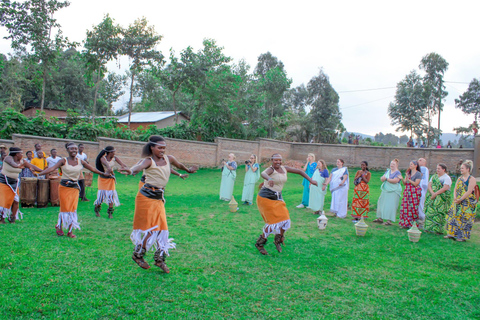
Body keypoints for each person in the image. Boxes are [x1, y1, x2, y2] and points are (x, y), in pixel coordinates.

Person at [125, 135, 197, 272]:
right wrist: (131, 170)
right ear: (152, 147)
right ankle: (138, 255)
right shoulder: (148, 161)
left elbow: (178, 165)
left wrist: (187, 170)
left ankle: (159, 259)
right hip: (146, 198)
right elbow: (138, 167)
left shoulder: (168, 158)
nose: (162, 150)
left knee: (163, 230)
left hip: (159, 198)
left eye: (164, 147)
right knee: (152, 229)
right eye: (159, 148)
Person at [38, 142, 106, 238]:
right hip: (64, 187)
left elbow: (93, 169)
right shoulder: (63, 161)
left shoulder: (80, 161)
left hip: (75, 188)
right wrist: (40, 173)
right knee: (65, 209)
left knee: (73, 209)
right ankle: (59, 226)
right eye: (71, 149)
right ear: (67, 150)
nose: (74, 150)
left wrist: (104, 173)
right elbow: (52, 168)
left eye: (75, 149)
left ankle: (70, 231)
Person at [254, 154, 317, 255]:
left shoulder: (284, 168)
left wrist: (311, 181)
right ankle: (259, 244)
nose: (278, 162)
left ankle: (278, 240)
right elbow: (263, 173)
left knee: (286, 219)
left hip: (277, 197)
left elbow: (300, 171)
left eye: (280, 160)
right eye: (276, 160)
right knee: (272, 222)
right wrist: (269, 179)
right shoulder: (271, 170)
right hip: (265, 198)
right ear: (272, 160)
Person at [0, 147, 41, 224]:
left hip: (14, 182)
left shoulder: (22, 161)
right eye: (21, 153)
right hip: (4, 181)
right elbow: (14, 165)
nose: (22, 155)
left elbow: (32, 167)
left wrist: (44, 171)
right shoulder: (8, 158)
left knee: (16, 201)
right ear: (16, 154)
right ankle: (2, 218)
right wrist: (20, 165)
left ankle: (12, 218)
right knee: (4, 201)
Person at [445, 160, 477, 242]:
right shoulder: (459, 178)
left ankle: (462, 237)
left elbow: (469, 191)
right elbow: (455, 189)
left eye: (462, 168)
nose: (461, 170)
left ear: (468, 169)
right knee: (453, 216)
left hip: (467, 203)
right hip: (457, 201)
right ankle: (451, 234)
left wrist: (461, 199)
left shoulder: (471, 179)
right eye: (460, 168)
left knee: (464, 219)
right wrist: (455, 197)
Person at [94, 146, 129, 218]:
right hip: (103, 179)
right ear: (110, 152)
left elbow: (123, 164)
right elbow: (108, 167)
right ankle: (97, 209)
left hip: (111, 179)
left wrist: (126, 169)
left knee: (111, 196)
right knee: (101, 196)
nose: (114, 153)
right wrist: (111, 170)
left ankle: (110, 213)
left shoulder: (115, 158)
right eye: (113, 152)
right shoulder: (102, 158)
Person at [424, 163, 452, 234]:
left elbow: (445, 187)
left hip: (441, 199)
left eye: (439, 169)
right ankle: (428, 228)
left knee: (438, 213)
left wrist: (436, 194)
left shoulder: (446, 178)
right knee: (430, 212)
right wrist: (432, 193)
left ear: (443, 170)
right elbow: (429, 185)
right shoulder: (434, 177)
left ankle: (437, 230)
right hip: (432, 197)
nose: (437, 170)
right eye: (437, 168)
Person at [374, 159, 403, 225]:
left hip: (393, 191)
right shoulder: (388, 171)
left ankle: (389, 220)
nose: (392, 165)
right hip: (385, 189)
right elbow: (382, 178)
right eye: (391, 164)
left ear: (397, 165)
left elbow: (396, 180)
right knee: (381, 202)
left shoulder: (398, 173)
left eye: (393, 164)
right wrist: (383, 179)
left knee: (390, 205)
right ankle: (380, 218)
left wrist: (387, 179)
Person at [399, 160, 423, 229]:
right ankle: (405, 223)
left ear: (416, 166)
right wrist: (403, 179)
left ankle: (413, 223)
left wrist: (409, 179)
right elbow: (405, 183)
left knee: (412, 207)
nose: (410, 165)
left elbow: (416, 184)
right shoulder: (408, 173)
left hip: (414, 193)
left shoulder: (418, 174)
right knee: (405, 207)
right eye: (410, 164)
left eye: (412, 164)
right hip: (407, 192)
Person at [417, 158, 429, 227]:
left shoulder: (424, 169)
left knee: (420, 203)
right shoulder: (417, 169)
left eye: (420, 160)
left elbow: (425, 181)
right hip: (416, 187)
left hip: (421, 188)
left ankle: (421, 218)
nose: (419, 161)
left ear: (424, 162)